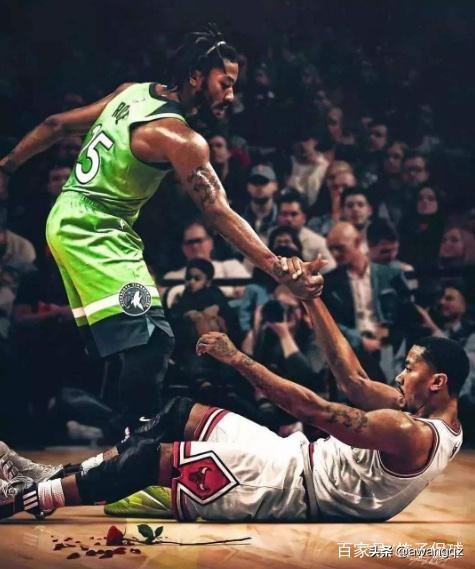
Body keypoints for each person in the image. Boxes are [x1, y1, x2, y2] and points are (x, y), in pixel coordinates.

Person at [0, 27, 321, 437]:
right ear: (196, 77)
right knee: (151, 341)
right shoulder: (181, 138)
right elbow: (219, 212)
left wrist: (6, 167)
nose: (230, 95)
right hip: (92, 230)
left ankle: (119, 442)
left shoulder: (131, 92)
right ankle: (132, 454)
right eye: (224, 83)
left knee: (142, 343)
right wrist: (278, 269)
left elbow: (56, 124)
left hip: (75, 218)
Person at [0, 259, 469, 523]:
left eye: (409, 369)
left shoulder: (408, 431)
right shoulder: (428, 416)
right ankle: (48, 478)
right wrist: (311, 299)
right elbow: (353, 380)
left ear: (437, 381)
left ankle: (28, 498)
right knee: (180, 412)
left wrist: (238, 359)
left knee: (156, 458)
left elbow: (315, 409)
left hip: (287, 488)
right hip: (295, 459)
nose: (399, 377)